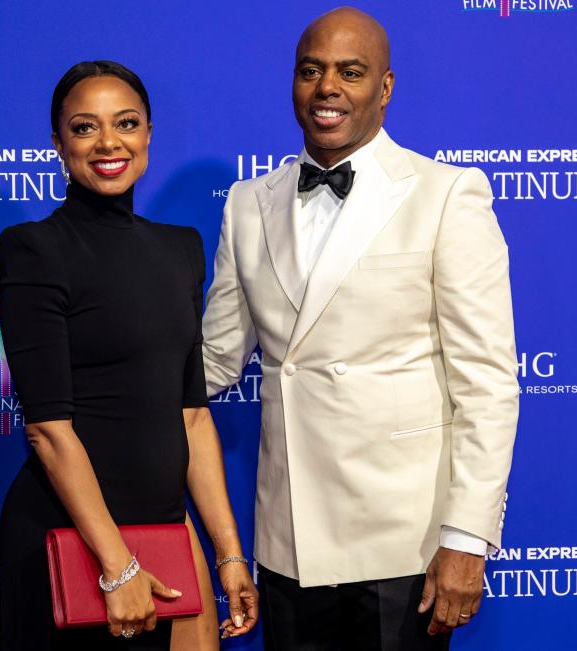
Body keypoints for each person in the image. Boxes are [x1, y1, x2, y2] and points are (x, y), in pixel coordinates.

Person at [198, 7, 519, 650]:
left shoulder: (446, 194)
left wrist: (466, 539)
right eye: (310, 71)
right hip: (289, 543)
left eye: (351, 72)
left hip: (404, 546)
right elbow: (214, 360)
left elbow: (487, 382)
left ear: (386, 87)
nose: (327, 89)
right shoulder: (246, 203)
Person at [0, 60, 258, 650]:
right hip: (72, 539)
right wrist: (118, 566)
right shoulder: (34, 249)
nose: (109, 142)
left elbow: (190, 416)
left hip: (166, 530)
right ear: (58, 143)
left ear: (148, 134)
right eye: (85, 127)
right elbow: (47, 431)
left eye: (127, 123)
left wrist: (229, 555)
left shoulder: (180, 249)